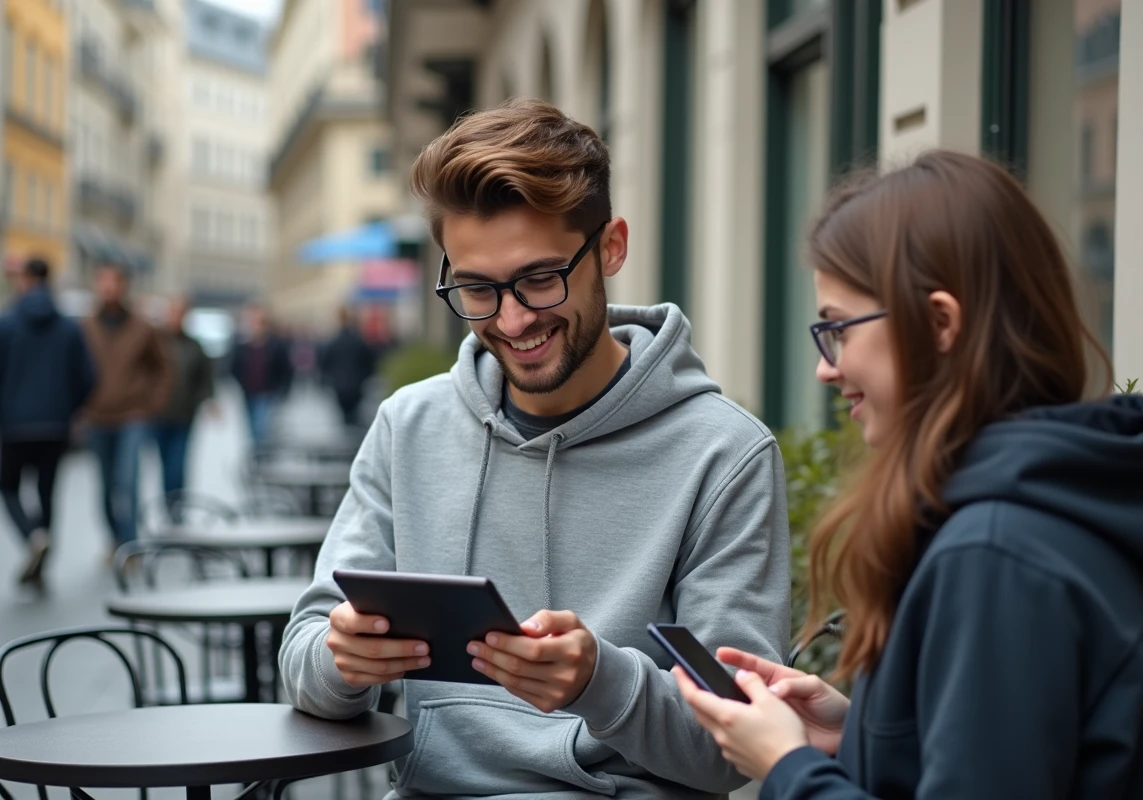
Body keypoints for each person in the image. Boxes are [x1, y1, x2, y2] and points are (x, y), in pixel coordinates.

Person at [279, 98, 791, 797]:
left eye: (540, 279)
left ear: (610, 247)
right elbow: (305, 656)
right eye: (476, 289)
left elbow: (733, 748)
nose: (513, 319)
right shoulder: (410, 427)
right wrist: (343, 661)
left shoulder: (725, 455)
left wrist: (600, 683)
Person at [673, 150, 1143, 799]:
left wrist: (787, 768)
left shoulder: (998, 552)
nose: (825, 368)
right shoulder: (1043, 511)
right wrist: (859, 730)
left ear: (940, 322)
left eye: (838, 329)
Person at [0, 257, 95, 587]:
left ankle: (33, 538)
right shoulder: (69, 326)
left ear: (25, 279)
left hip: (12, 424)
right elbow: (88, 376)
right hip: (56, 424)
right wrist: (70, 408)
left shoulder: (7, 323)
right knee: (47, 493)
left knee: (8, 487)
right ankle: (41, 562)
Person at [81, 263, 173, 554]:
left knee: (127, 480)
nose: (109, 288)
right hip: (97, 416)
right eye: (103, 282)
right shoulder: (85, 326)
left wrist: (153, 403)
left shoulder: (142, 326)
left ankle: (130, 545)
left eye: (114, 282)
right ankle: (114, 537)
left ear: (124, 286)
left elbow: (163, 368)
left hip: (133, 414)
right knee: (106, 485)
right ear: (96, 286)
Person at [154, 296, 216, 512]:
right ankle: (168, 502)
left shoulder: (194, 345)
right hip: (160, 414)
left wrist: (208, 400)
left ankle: (176, 505)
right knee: (164, 462)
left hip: (185, 414)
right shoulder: (157, 341)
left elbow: (205, 377)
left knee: (177, 463)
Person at [230, 303, 292, 450]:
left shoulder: (276, 344)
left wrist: (282, 391)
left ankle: (260, 455)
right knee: (252, 427)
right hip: (249, 392)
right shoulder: (242, 344)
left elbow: (286, 369)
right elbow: (234, 367)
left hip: (268, 393)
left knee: (262, 428)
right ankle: (258, 455)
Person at [319, 307, 377, 428]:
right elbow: (369, 362)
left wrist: (329, 379)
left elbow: (325, 364)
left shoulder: (333, 342)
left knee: (345, 418)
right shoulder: (358, 341)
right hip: (356, 384)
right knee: (354, 416)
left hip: (339, 385)